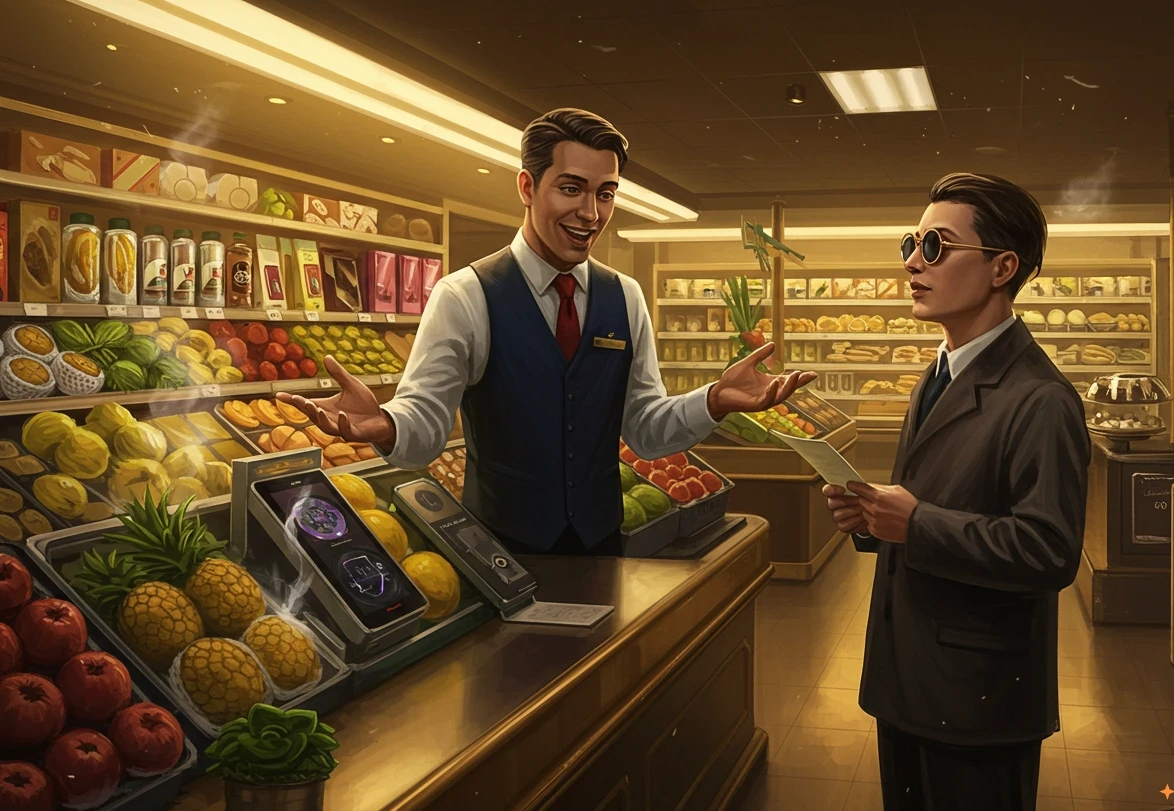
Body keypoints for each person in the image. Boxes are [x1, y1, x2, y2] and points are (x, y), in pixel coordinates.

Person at [280, 108, 814, 555]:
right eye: (571, 189)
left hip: (603, 545)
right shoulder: (465, 295)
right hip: (499, 549)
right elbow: (426, 424)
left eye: (605, 194)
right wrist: (386, 424)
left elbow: (646, 430)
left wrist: (715, 401)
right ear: (527, 186)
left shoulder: (625, 297)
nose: (590, 213)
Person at [823, 173, 1089, 811]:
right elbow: (931, 506)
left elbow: (1049, 551)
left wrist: (915, 523)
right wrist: (873, 521)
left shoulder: (1041, 399)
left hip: (977, 700)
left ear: (1003, 268)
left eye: (936, 246)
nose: (913, 261)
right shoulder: (935, 375)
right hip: (909, 680)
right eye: (911, 243)